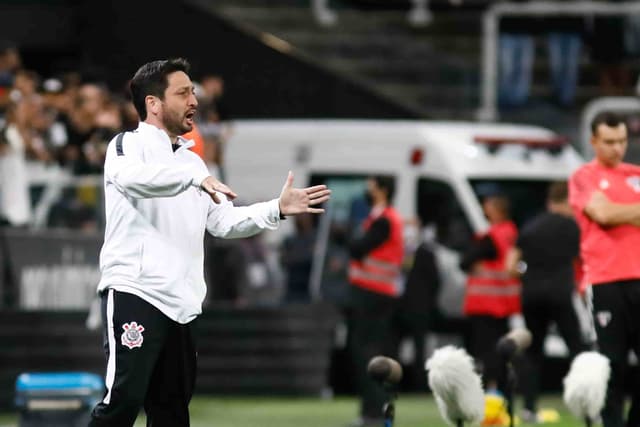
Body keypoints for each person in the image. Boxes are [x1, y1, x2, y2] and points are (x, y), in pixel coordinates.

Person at [88, 58, 331, 427]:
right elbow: (132, 180)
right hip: (136, 292)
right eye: (183, 92)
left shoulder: (193, 162)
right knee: (120, 403)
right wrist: (191, 181)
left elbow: (222, 222)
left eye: (194, 92)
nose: (194, 101)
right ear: (153, 103)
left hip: (182, 305)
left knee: (171, 414)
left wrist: (276, 209)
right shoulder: (126, 146)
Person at [568, 111, 640, 427]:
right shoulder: (584, 176)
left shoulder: (636, 174)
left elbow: (611, 212)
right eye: (609, 142)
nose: (617, 148)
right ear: (594, 141)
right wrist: (623, 213)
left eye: (622, 141)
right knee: (612, 364)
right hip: (606, 281)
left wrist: (617, 211)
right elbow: (602, 213)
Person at [506, 181, 587, 422]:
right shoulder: (574, 227)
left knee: (533, 352)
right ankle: (587, 403)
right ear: (569, 200)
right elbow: (584, 260)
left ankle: (529, 408)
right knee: (577, 349)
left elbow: (511, 267)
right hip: (561, 294)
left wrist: (528, 273)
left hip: (532, 295)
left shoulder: (530, 227)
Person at [347, 175, 404, 427]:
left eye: (371, 186)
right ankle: (374, 411)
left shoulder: (383, 221)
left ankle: (373, 412)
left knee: (366, 352)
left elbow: (358, 247)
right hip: (379, 293)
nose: (366, 191)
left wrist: (348, 238)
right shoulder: (384, 218)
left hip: (372, 294)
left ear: (382, 190)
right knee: (371, 351)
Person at [460, 193, 520, 393]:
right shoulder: (511, 232)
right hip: (504, 303)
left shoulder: (491, 236)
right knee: (501, 349)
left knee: (486, 351)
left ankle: (489, 389)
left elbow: (465, 261)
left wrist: (472, 263)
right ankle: (502, 388)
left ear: (496, 210)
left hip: (485, 303)